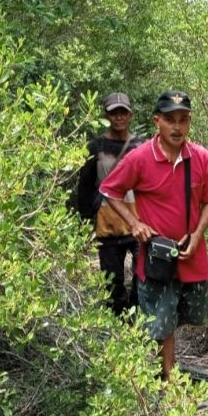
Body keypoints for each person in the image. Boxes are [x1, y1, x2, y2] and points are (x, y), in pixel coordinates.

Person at [100, 90, 208, 381]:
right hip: (158, 258)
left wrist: (196, 236)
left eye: (183, 120)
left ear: (190, 122)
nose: (177, 127)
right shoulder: (140, 157)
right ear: (157, 121)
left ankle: (159, 353)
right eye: (170, 120)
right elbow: (109, 189)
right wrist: (134, 223)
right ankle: (166, 379)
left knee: (191, 313)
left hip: (192, 255)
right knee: (162, 319)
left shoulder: (201, 157)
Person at [76, 92, 143, 314]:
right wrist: (87, 219)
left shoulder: (140, 146)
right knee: (112, 283)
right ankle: (117, 326)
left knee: (142, 277)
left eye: (123, 112)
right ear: (106, 115)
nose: (119, 117)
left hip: (137, 223)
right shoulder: (95, 147)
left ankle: (136, 320)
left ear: (131, 115)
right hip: (107, 225)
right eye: (114, 112)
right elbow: (84, 186)